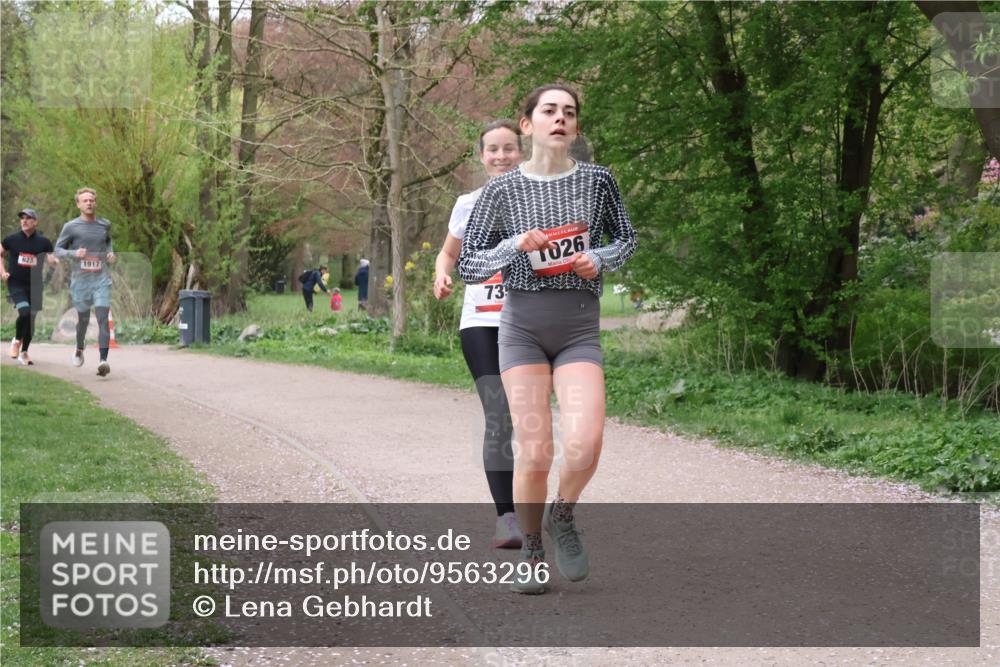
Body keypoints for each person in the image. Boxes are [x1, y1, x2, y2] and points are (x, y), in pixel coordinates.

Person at [458, 84, 637, 594]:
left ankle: (563, 514)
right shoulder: (501, 191)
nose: (560, 118)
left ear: (575, 127)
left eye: (570, 113)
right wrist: (514, 244)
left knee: (586, 442)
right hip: (522, 330)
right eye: (549, 111)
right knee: (534, 453)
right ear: (527, 124)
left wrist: (599, 258)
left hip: (579, 326)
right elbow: (470, 262)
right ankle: (532, 547)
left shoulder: (599, 182)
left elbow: (626, 239)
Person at [434, 119, 525, 549]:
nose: (501, 156)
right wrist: (441, 276)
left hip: (528, 322)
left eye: (509, 148)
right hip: (479, 323)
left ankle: (536, 506)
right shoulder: (469, 203)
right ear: (482, 155)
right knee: (499, 416)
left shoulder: (537, 202)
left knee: (529, 419)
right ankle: (506, 517)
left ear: (521, 151)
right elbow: (448, 253)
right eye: (493, 149)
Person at [55, 188, 116, 377]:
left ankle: (103, 361)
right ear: (78, 204)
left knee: (102, 319)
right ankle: (80, 346)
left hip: (101, 279)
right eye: (85, 200)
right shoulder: (71, 226)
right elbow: (58, 250)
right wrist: (74, 253)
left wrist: (110, 253)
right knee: (83, 320)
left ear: (95, 203)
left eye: (92, 200)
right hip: (80, 281)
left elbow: (107, 243)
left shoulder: (104, 224)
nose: (89, 203)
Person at [2, 208, 59, 365]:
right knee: (25, 312)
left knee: (31, 320)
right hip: (16, 284)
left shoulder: (43, 242)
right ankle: (16, 341)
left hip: (35, 286)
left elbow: (51, 258)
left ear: (35, 222)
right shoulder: (12, 239)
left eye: (28, 218)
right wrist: (3, 272)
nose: (24, 221)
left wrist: (53, 261)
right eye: (22, 218)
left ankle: (24, 352)